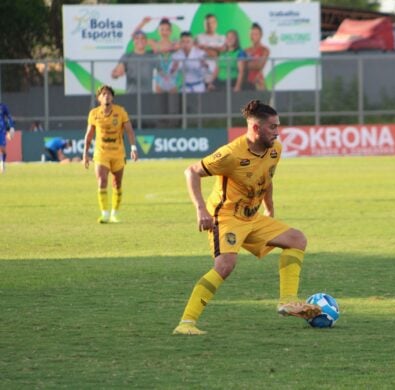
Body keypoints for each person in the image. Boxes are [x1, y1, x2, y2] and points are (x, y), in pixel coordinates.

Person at [173, 99, 321, 336]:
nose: (277, 132)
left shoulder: (275, 149)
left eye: (278, 126)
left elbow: (267, 178)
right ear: (256, 128)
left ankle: (288, 301)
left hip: (252, 217)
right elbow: (191, 171)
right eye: (272, 127)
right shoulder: (230, 154)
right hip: (226, 216)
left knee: (296, 239)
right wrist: (200, 210)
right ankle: (186, 324)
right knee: (225, 266)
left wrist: (269, 209)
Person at [82, 85, 138, 224]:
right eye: (103, 94)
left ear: (112, 97)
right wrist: (85, 154)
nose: (106, 96)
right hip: (101, 153)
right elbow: (89, 136)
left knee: (117, 183)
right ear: (99, 98)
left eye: (109, 94)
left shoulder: (120, 112)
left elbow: (129, 131)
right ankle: (105, 213)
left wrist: (133, 147)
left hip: (118, 153)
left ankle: (115, 213)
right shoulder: (94, 114)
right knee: (102, 181)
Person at [195, 14, 225, 88]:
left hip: (216, 74)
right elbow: (195, 52)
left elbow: (217, 54)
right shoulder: (198, 37)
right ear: (204, 24)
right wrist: (214, 49)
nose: (210, 25)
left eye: (212, 22)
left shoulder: (221, 38)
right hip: (201, 74)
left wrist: (203, 48)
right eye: (207, 23)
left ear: (216, 24)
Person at [245, 23, 270, 90]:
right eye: (252, 34)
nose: (253, 36)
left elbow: (259, 65)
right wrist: (253, 64)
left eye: (256, 34)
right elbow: (241, 66)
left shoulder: (265, 50)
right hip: (246, 82)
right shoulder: (246, 50)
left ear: (261, 35)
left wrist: (247, 64)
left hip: (258, 82)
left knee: (261, 100)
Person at [0, 102, 15, 174]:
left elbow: (9, 117)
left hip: (1, 131)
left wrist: (11, 127)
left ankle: (2, 164)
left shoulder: (3, 106)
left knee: (3, 149)